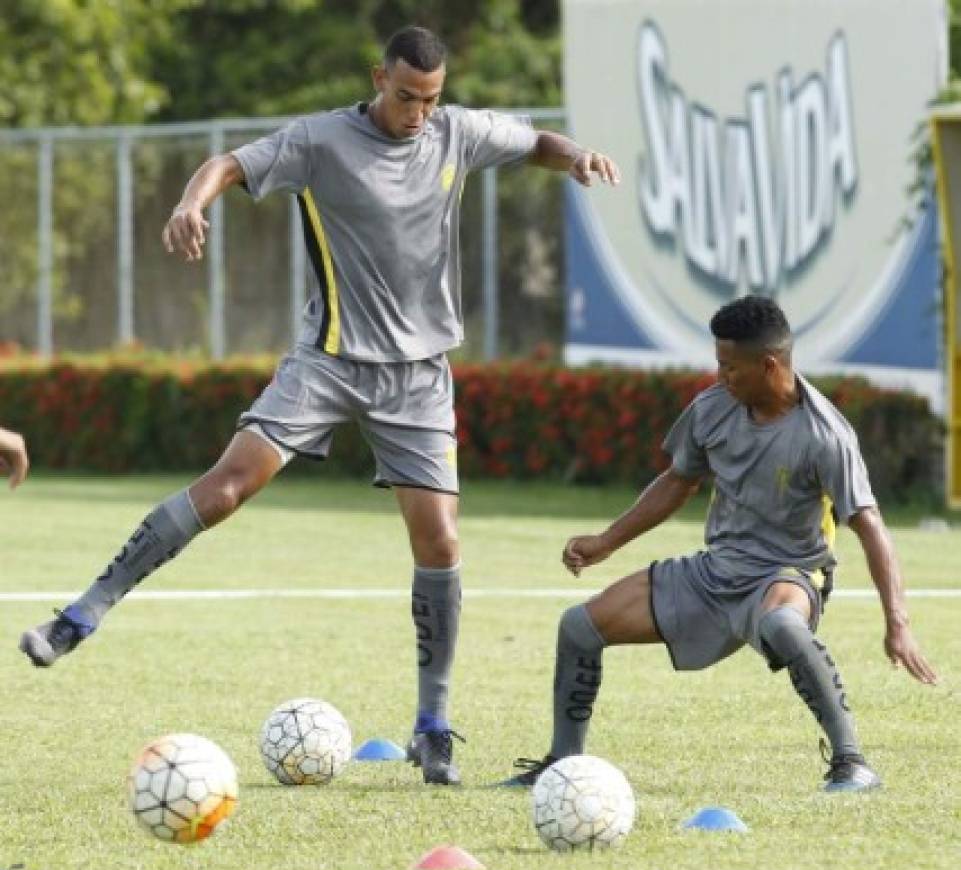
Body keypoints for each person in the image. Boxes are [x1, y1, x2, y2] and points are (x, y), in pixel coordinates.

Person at [18, 25, 621, 786]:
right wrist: (189, 202)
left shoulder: (455, 132)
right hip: (327, 361)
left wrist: (576, 158)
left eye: (429, 100)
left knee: (438, 542)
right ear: (379, 78)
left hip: (418, 377)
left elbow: (534, 140)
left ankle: (432, 728)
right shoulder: (319, 141)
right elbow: (228, 164)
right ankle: (80, 615)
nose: (417, 113)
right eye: (405, 96)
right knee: (228, 486)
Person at [500, 295, 938, 792]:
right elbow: (675, 482)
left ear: (769, 365)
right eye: (718, 363)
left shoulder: (825, 435)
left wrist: (897, 625)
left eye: (729, 366)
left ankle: (852, 763)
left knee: (783, 626)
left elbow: (871, 525)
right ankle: (561, 766)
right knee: (579, 627)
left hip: (788, 574)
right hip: (712, 575)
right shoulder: (712, 407)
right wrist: (607, 541)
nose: (720, 375)